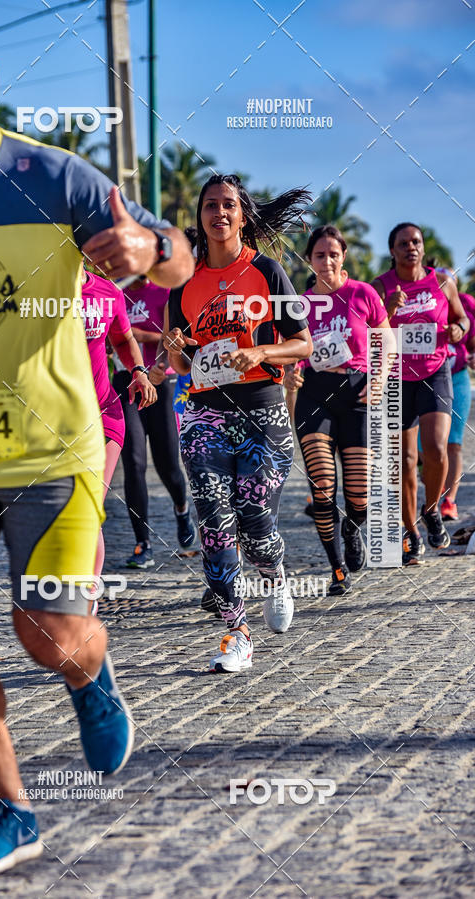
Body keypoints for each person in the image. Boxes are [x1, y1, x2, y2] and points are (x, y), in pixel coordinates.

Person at [0, 6, 193, 877]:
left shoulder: (53, 177)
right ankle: (12, 808)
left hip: (54, 451)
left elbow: (179, 258)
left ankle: (90, 672)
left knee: (45, 628)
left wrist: (149, 243)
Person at [165, 174, 312, 672]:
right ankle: (236, 631)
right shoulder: (182, 283)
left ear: (242, 216)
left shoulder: (268, 273)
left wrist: (261, 351)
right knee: (214, 520)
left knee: (255, 521)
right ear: (200, 215)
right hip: (206, 410)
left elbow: (303, 343)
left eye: (229, 204)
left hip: (263, 411)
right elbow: (183, 363)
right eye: (210, 205)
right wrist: (176, 353)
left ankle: (273, 575)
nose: (219, 213)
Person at [285, 225, 391, 594]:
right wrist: (289, 376)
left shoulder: (362, 293)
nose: (327, 260)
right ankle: (337, 567)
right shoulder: (299, 304)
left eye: (333, 254)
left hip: (356, 393)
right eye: (319, 255)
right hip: (315, 394)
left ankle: (352, 527)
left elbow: (386, 337)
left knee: (359, 495)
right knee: (323, 486)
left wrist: (379, 378)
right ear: (309, 259)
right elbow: (289, 350)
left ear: (343, 256)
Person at [373, 224, 467, 564]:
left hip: (435, 372)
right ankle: (411, 533)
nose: (410, 247)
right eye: (403, 243)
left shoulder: (443, 282)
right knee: (405, 461)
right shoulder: (380, 287)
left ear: (423, 248)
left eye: (416, 242)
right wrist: (387, 309)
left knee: (437, 448)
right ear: (393, 251)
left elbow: (462, 320)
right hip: (396, 379)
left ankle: (432, 510)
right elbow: (367, 334)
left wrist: (459, 328)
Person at [81, 268, 157, 609]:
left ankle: (87, 593)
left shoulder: (106, 290)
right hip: (54, 420)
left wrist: (138, 371)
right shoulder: (37, 294)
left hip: (104, 413)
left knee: (87, 505)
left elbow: (123, 339)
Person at [113, 276, 196, 569]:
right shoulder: (115, 292)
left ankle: (182, 508)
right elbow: (115, 338)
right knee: (134, 461)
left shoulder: (165, 292)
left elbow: (170, 339)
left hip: (162, 380)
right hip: (126, 382)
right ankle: (143, 543)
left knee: (168, 464)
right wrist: (139, 335)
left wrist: (145, 343)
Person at [435, 275, 475, 519]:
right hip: (423, 381)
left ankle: (449, 500)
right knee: (427, 447)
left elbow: (473, 344)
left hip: (457, 378)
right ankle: (434, 481)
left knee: (454, 442)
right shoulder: (422, 304)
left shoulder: (466, 305)